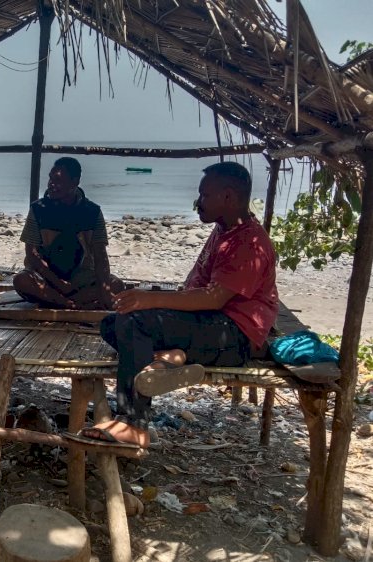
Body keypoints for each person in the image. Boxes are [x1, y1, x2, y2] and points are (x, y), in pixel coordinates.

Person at [65, 162, 278, 448]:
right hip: (210, 324)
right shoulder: (223, 231)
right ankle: (170, 358)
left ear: (228, 197)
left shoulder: (250, 242)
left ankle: (133, 423)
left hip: (235, 336)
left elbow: (213, 298)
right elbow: (199, 291)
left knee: (134, 322)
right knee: (112, 322)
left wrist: (149, 299)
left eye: (204, 195)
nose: (197, 202)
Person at [13, 157, 124, 310]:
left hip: (81, 277)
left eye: (58, 180)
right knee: (21, 280)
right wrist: (59, 283)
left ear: (75, 182)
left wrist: (104, 291)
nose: (51, 184)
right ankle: (70, 302)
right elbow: (32, 255)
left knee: (116, 285)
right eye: (50, 179)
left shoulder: (92, 211)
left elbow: (100, 255)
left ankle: (59, 300)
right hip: (47, 277)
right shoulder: (38, 209)